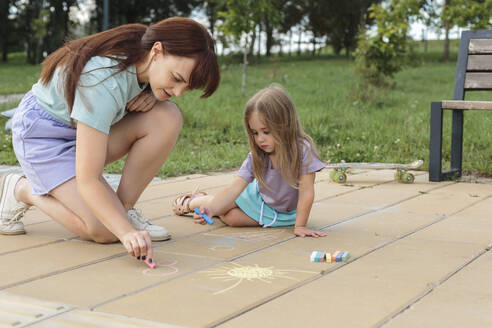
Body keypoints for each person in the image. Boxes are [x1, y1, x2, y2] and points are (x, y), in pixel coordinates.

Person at [0, 17, 220, 261]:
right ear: (157, 51)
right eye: (176, 79)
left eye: (186, 88)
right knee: (105, 231)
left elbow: (151, 97)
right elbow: (89, 179)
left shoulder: (142, 60)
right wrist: (124, 232)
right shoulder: (102, 81)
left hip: (78, 133)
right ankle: (23, 190)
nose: (178, 93)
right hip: (42, 137)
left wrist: (154, 95)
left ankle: (124, 209)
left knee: (167, 116)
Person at [172, 85, 326, 238]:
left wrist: (300, 226)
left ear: (285, 125)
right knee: (223, 205)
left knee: (230, 218)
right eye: (255, 133)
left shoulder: (302, 150)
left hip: (284, 213)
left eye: (266, 132)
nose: (260, 139)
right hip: (256, 197)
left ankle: (216, 208)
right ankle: (194, 202)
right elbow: (234, 188)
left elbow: (306, 192)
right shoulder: (258, 155)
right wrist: (211, 210)